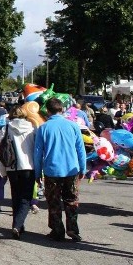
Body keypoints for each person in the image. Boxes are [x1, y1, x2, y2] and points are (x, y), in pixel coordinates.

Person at [34, 97, 87, 242]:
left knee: (54, 201)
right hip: (71, 169)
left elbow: (38, 153)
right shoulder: (73, 126)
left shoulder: (43, 128)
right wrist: (83, 168)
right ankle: (72, 229)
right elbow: (80, 150)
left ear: (48, 111)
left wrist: (37, 173)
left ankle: (57, 230)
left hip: (52, 171)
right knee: (71, 200)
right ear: (62, 109)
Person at [0, 104, 37, 239]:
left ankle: (19, 225)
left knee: (16, 197)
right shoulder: (32, 128)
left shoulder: (6, 128)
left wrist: (3, 171)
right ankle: (17, 225)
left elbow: (1, 151)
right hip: (28, 166)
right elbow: (35, 150)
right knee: (26, 198)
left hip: (12, 167)